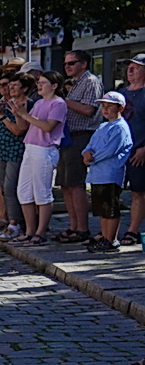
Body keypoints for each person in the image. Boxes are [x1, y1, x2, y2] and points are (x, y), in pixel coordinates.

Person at [15, 69, 67, 246]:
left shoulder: (58, 103)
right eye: (39, 82)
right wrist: (18, 113)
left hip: (45, 149)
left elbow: (48, 127)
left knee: (42, 193)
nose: (39, 85)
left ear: (54, 86)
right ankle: (30, 231)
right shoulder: (38, 103)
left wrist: (25, 115)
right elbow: (25, 125)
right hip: (30, 147)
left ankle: (41, 232)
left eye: (43, 83)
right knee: (23, 192)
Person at [56, 50, 103, 243]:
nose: (67, 67)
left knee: (76, 184)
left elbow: (89, 109)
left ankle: (82, 228)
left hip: (82, 135)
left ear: (83, 64)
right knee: (66, 184)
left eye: (72, 63)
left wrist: (63, 101)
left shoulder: (90, 81)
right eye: (66, 63)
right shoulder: (76, 83)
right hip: (68, 137)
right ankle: (73, 225)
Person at [82, 91, 133, 252]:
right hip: (97, 175)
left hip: (110, 174)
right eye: (103, 106)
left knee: (110, 208)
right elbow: (91, 144)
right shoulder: (103, 126)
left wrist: (93, 158)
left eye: (110, 106)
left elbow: (111, 149)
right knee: (101, 209)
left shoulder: (120, 128)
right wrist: (86, 152)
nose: (105, 109)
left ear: (120, 107)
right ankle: (104, 236)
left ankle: (112, 239)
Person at [0, 76, 31, 241]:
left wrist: (1, 115)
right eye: (10, 85)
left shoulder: (27, 104)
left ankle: (15, 223)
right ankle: (11, 222)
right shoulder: (6, 104)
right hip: (3, 148)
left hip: (16, 149)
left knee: (11, 186)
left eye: (15, 85)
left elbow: (19, 130)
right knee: (4, 188)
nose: (11, 88)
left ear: (25, 88)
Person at [119, 56, 145, 244]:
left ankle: (133, 230)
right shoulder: (120, 94)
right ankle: (109, 231)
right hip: (120, 152)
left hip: (139, 150)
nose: (130, 70)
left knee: (138, 192)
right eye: (129, 67)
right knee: (112, 191)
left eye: (136, 67)